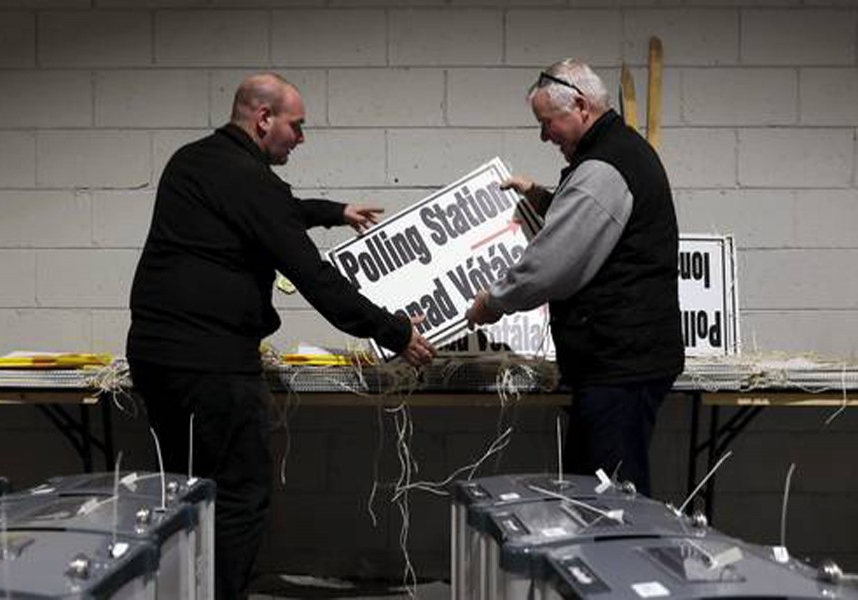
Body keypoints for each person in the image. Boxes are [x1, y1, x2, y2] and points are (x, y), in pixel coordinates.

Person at [126, 73, 435, 599]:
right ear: (264, 118)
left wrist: (334, 213)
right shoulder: (251, 181)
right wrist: (395, 332)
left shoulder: (194, 160)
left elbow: (277, 209)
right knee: (241, 495)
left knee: (187, 490)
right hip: (213, 364)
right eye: (297, 125)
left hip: (156, 358)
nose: (301, 137)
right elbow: (315, 278)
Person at [466, 59, 683, 497]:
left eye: (547, 123)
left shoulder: (604, 167)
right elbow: (590, 220)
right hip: (623, 360)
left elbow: (552, 264)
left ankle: (624, 568)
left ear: (580, 106)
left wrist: (493, 301)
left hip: (618, 364)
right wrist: (539, 195)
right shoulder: (617, 154)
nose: (545, 135)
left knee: (613, 499)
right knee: (600, 490)